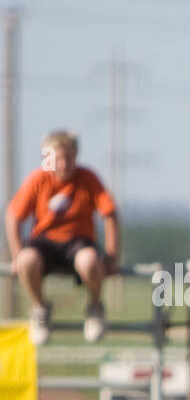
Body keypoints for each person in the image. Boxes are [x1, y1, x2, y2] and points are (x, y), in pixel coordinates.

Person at [5, 129, 120, 345]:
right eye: (58, 158)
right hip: (45, 241)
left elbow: (110, 213)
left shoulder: (88, 178)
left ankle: (94, 308)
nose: (64, 164)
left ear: (76, 156)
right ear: (48, 159)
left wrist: (112, 255)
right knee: (27, 260)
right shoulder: (38, 178)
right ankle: (40, 309)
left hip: (78, 241)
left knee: (91, 261)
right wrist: (16, 254)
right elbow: (13, 214)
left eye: (69, 157)